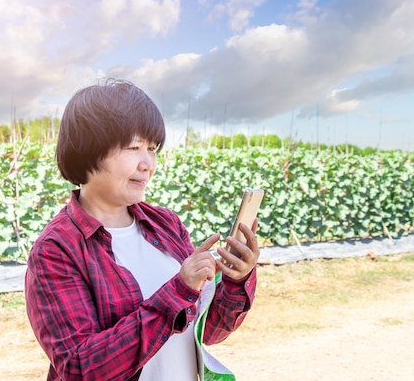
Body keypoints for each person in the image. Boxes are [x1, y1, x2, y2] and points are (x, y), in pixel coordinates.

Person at [24, 79, 260, 381]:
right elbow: (80, 368)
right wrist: (178, 291)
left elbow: (208, 330)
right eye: (134, 147)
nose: (148, 163)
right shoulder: (57, 249)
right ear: (88, 150)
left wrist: (236, 280)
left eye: (152, 148)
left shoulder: (166, 225)